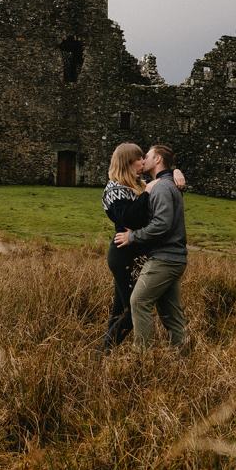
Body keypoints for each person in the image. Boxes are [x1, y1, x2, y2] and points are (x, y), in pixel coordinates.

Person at [102, 143, 186, 351]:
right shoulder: (114, 188)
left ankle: (112, 355)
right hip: (123, 254)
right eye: (138, 158)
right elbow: (129, 218)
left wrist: (174, 172)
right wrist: (147, 192)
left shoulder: (142, 183)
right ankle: (105, 353)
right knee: (129, 309)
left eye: (144, 157)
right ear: (127, 163)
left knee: (127, 307)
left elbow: (164, 192)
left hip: (144, 254)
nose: (142, 161)